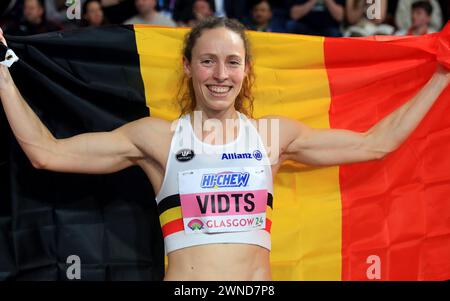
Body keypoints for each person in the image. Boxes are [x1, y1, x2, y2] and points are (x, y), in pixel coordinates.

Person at [1, 17, 449, 280]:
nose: (220, 73)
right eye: (208, 60)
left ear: (246, 70)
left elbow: (377, 143)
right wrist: (2, 69)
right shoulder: (159, 137)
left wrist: (442, 74)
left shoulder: (272, 137)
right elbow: (47, 152)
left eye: (232, 61)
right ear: (189, 67)